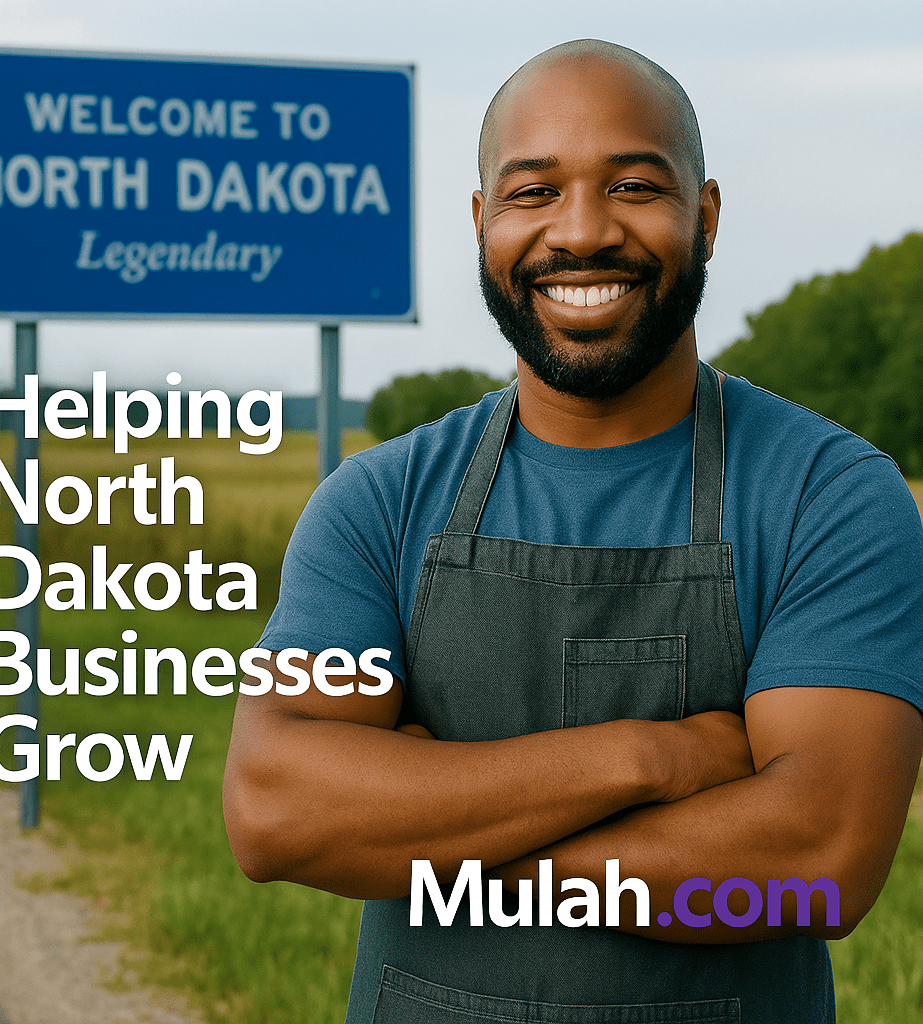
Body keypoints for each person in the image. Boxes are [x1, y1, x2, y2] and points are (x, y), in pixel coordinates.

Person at [223, 39, 923, 1024]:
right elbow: (274, 813)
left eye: (634, 184)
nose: (583, 231)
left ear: (706, 218)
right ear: (482, 224)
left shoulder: (828, 495)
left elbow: (813, 865)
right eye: (533, 191)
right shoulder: (375, 502)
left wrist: (433, 838)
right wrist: (653, 761)